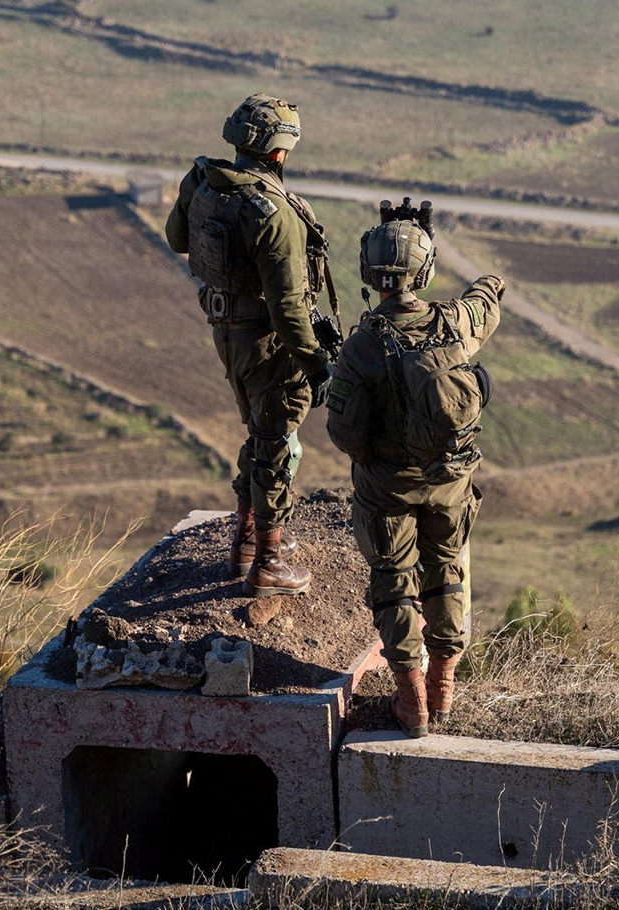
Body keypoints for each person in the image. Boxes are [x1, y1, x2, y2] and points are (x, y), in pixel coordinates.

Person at [327, 212, 504, 737]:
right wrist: (487, 283)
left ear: (367, 272)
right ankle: (442, 688)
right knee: (446, 568)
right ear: (424, 271)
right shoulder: (455, 322)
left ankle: (410, 703)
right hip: (449, 479)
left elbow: (347, 436)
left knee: (395, 582)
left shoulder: (362, 347)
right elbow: (486, 299)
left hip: (388, 487)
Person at [165, 93, 337, 597]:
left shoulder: (206, 184)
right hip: (267, 343)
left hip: (229, 331)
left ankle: (246, 542)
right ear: (281, 152)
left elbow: (179, 239)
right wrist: (318, 364)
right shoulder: (273, 212)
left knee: (262, 432)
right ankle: (269, 561)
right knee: (277, 443)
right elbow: (289, 309)